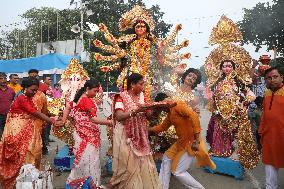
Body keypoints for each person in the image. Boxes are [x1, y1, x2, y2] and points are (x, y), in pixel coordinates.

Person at [0, 78, 60, 189]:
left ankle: (31, 179)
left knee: (34, 151)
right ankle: (21, 181)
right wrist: (52, 121)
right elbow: (36, 112)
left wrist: (56, 116)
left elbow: (40, 111)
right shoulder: (22, 98)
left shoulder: (28, 98)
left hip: (27, 127)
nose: (34, 93)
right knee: (25, 153)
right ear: (25, 88)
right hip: (17, 129)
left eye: (36, 90)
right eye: (32, 90)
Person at [149, 93, 215, 189]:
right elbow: (162, 127)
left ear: (165, 102)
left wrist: (196, 140)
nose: (161, 110)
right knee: (166, 158)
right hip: (182, 141)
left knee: (177, 171)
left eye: (161, 107)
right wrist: (147, 129)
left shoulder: (178, 105)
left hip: (191, 141)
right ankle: (163, 186)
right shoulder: (170, 113)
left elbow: (193, 115)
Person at [109, 73, 162, 189]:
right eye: (141, 84)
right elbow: (119, 116)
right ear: (132, 84)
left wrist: (158, 110)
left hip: (141, 135)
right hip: (125, 135)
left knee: (143, 165)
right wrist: (136, 111)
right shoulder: (121, 97)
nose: (143, 87)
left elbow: (149, 116)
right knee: (127, 167)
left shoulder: (143, 97)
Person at [205, 60, 259, 169]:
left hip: (234, 112)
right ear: (221, 68)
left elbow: (249, 94)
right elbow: (210, 95)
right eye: (224, 66)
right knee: (218, 131)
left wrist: (246, 101)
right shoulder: (216, 82)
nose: (227, 68)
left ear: (233, 68)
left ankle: (232, 151)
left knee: (233, 132)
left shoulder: (238, 82)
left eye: (229, 66)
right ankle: (217, 150)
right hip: (219, 113)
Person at [61, 78, 112, 185]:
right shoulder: (86, 100)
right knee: (90, 161)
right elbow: (93, 119)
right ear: (87, 89)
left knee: (82, 160)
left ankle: (78, 183)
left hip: (80, 134)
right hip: (87, 136)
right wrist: (110, 122)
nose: (96, 93)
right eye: (95, 91)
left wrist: (63, 121)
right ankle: (91, 184)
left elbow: (67, 108)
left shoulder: (79, 98)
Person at [259, 67, 284, 189]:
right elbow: (265, 115)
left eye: (275, 77)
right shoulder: (267, 93)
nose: (272, 80)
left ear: (281, 77)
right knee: (269, 164)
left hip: (282, 136)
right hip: (269, 136)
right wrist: (261, 131)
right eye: (269, 78)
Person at [28, 69, 50, 155]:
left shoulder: (42, 92)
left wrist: (45, 118)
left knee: (41, 134)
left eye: (35, 75)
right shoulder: (22, 94)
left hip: (40, 118)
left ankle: (42, 149)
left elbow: (45, 106)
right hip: (28, 119)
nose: (33, 76)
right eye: (31, 75)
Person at [0, 72, 15, 138]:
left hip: (9, 115)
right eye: (1, 78)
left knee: (9, 133)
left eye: (5, 78)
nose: (4, 80)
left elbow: (14, 102)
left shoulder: (11, 91)